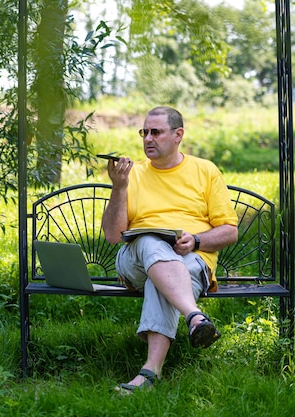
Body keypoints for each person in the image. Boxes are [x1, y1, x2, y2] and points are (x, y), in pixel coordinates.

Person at [101, 106, 238, 393]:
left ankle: (149, 374)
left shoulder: (205, 170)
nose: (148, 138)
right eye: (145, 132)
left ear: (178, 135)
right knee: (151, 241)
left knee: (160, 278)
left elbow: (229, 230)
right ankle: (195, 316)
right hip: (135, 260)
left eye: (156, 132)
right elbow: (113, 236)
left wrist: (196, 241)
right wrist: (119, 187)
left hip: (190, 260)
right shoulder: (133, 174)